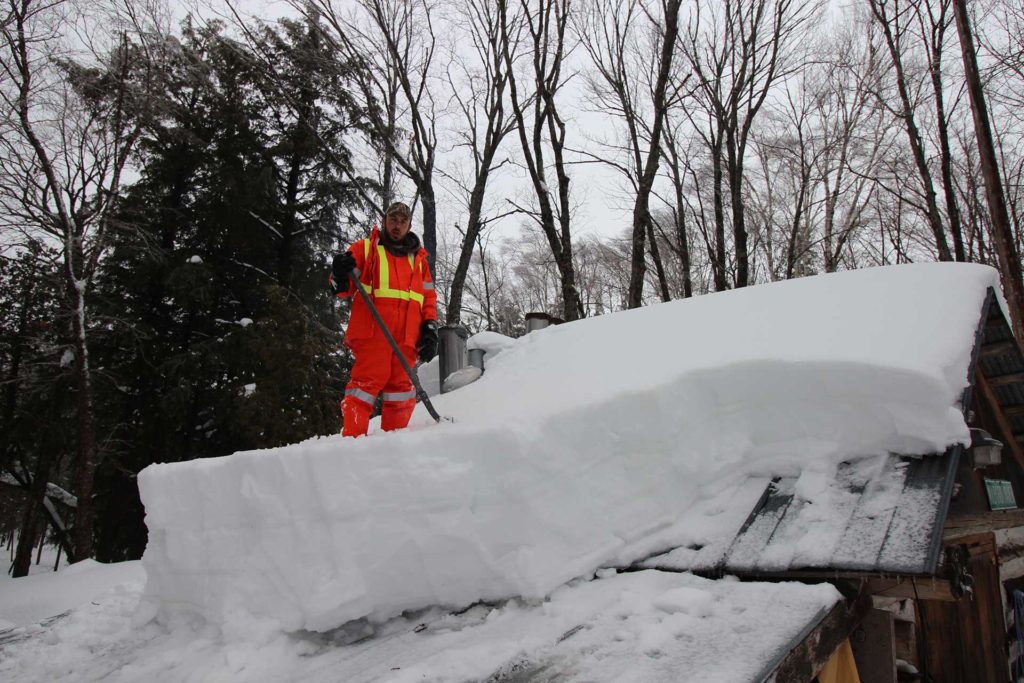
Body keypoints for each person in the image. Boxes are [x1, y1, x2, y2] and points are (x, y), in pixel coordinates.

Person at [330, 201, 438, 437]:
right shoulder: (367, 249)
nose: (397, 226)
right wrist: (339, 271)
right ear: (384, 221)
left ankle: (393, 447)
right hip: (373, 335)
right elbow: (343, 287)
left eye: (402, 221)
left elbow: (427, 298)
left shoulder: (418, 261)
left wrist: (429, 327)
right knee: (363, 389)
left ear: (409, 225)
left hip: (407, 340)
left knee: (401, 393)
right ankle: (353, 444)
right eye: (393, 220)